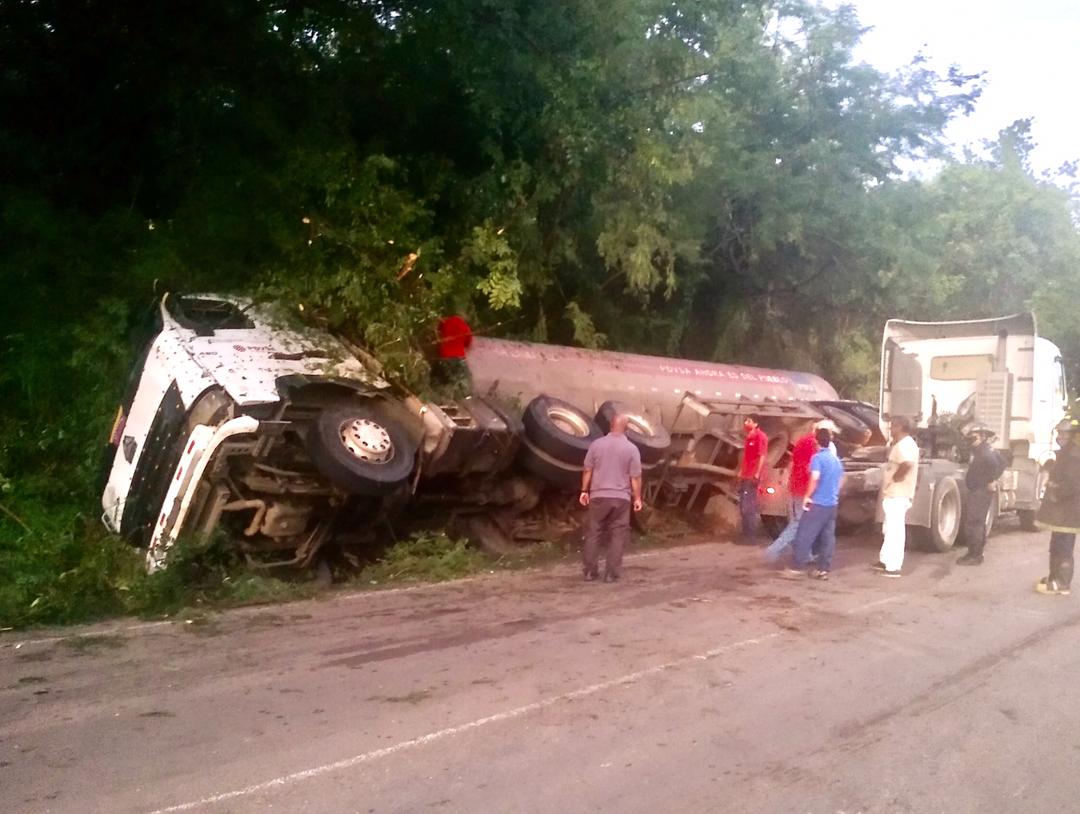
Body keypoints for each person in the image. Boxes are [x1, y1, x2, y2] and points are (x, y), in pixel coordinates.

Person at [764, 419, 840, 563]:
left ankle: (805, 555)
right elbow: (814, 473)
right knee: (799, 524)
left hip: (796, 488)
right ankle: (773, 551)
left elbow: (794, 464)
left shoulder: (802, 441)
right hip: (805, 491)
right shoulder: (816, 446)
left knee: (799, 524)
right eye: (830, 433)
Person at [580, 414, 643, 583]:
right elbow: (635, 477)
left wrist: (584, 491)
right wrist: (637, 498)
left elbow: (588, 469)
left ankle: (589, 572)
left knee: (594, 532)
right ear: (626, 429)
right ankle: (611, 574)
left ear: (610, 426)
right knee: (617, 535)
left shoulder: (596, 445)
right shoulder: (631, 449)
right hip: (621, 498)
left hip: (598, 496)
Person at [783, 426, 844, 580]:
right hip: (832, 505)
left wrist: (807, 497)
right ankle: (823, 569)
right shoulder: (836, 460)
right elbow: (840, 480)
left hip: (817, 503)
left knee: (804, 534)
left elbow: (814, 478)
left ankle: (797, 567)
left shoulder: (818, 458)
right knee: (827, 538)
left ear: (817, 442)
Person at [1035, 417, 1080, 596]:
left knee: (1064, 548)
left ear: (1072, 435)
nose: (1060, 437)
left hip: (1068, 511)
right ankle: (1054, 577)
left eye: (1064, 433)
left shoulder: (1074, 455)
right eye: (1059, 433)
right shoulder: (1066, 453)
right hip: (1062, 512)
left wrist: (1055, 491)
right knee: (1056, 545)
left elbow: (1072, 484)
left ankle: (1062, 584)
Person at [875, 416, 919, 578]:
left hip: (898, 493)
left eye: (893, 426)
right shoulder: (904, 444)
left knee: (895, 530)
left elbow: (907, 464)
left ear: (900, 427)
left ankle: (893, 566)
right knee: (889, 528)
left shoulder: (904, 445)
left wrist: (896, 478)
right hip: (895, 493)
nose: (890, 429)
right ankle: (885, 560)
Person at [957, 424, 1005, 566]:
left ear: (983, 436)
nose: (971, 438)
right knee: (977, 522)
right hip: (979, 490)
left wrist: (991, 480)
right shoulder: (982, 449)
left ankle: (975, 555)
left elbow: (997, 464)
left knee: (974, 522)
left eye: (974, 435)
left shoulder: (984, 451)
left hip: (980, 490)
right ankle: (976, 553)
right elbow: (1003, 462)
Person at [736, 414, 768, 545]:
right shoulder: (749, 437)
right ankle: (746, 534)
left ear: (755, 424)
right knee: (743, 505)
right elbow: (746, 457)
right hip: (746, 474)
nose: (746, 423)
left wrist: (757, 473)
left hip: (752, 475)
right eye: (746, 420)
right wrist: (740, 471)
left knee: (749, 506)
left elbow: (762, 456)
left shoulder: (761, 437)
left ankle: (750, 537)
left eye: (749, 421)